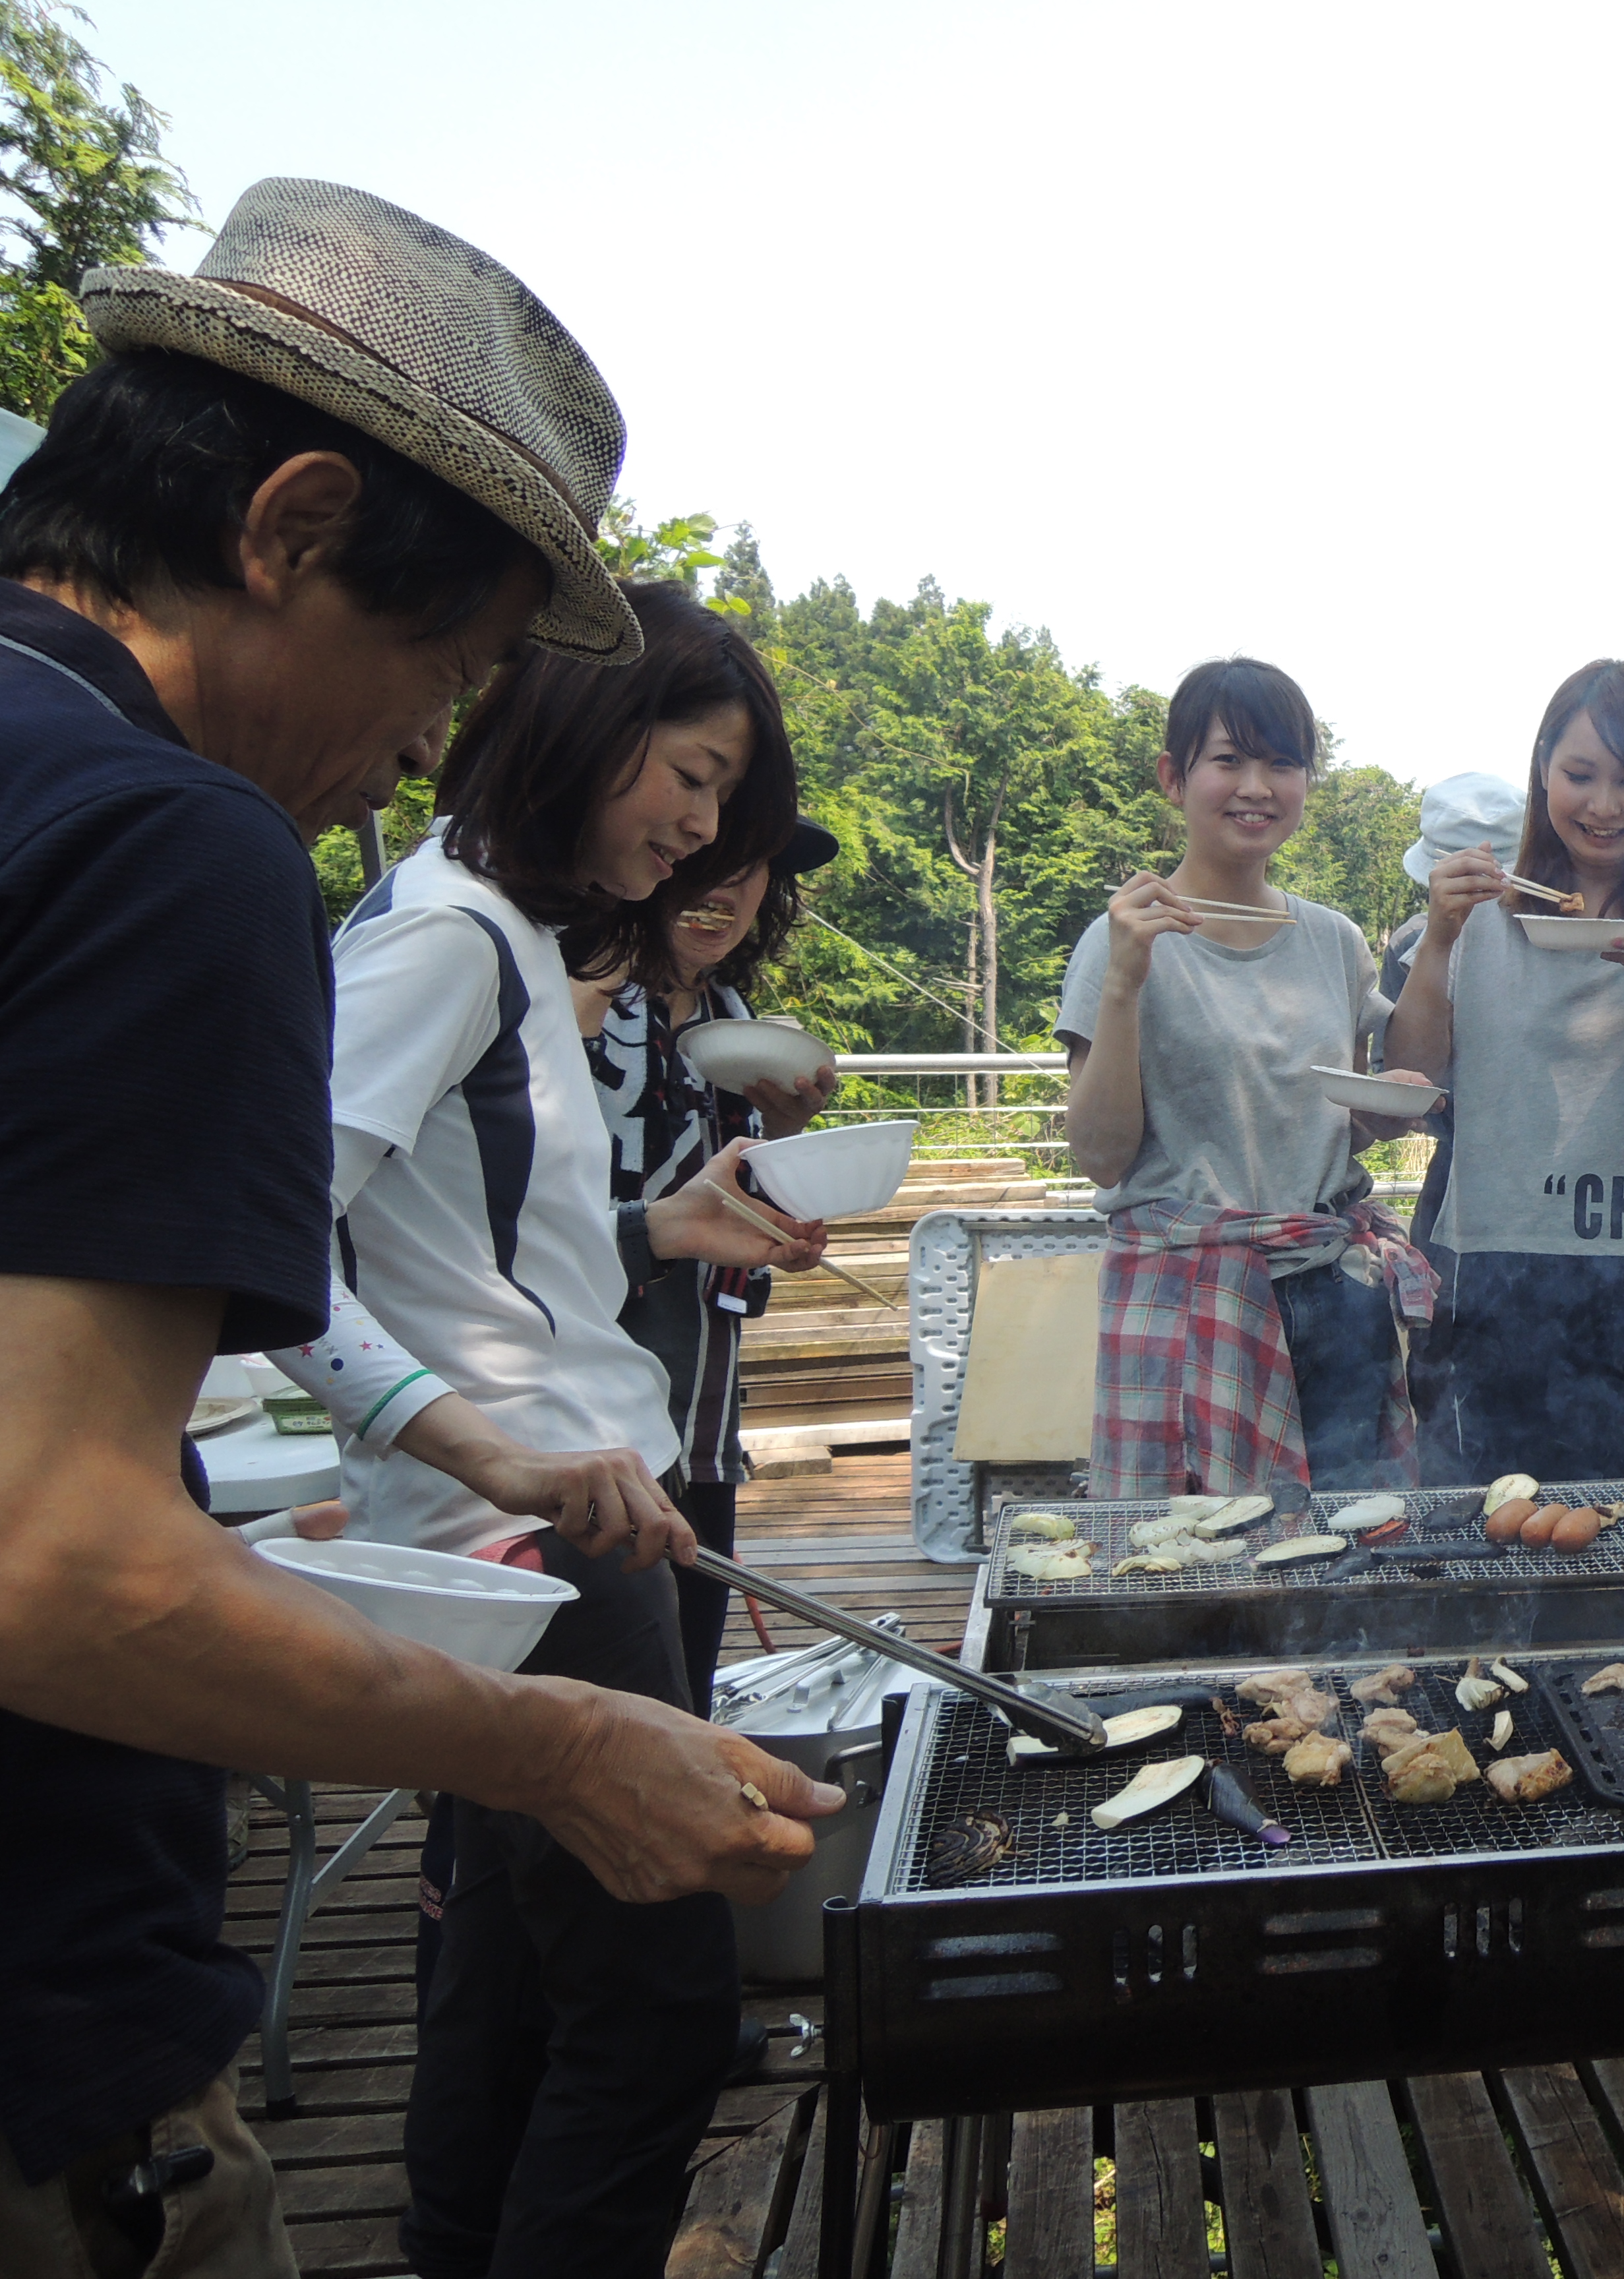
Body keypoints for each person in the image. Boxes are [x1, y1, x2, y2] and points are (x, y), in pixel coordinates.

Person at [0, 179, 835, 2279]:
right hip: (40, 2026)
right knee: (631, 2010)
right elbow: (50, 1553)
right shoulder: (162, 834)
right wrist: (552, 1716)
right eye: (438, 663)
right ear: (285, 527)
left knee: (520, 1995)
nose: (404, 754)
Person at [266, 578, 827, 2278]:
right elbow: (267, 1233)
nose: (703, 820)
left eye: (727, 795)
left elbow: (461, 1245)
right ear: (592, 716)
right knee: (654, 2018)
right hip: (537, 1535)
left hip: (564, 1509)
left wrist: (664, 1229)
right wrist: (484, 1451)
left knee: (509, 1983)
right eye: (693, 768)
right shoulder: (444, 932)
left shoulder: (501, 928)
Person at [1060, 657, 1435, 1496]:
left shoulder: (1333, 940)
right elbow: (1101, 1157)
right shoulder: (1121, 939)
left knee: (1353, 1546)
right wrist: (1124, 981)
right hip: (1192, 1294)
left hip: (1334, 1289)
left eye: (1282, 763)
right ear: (1174, 777)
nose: (1256, 786)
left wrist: (1391, 1104)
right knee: (1194, 1561)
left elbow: (1341, 1116)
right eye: (1229, 760)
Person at [1383, 661, 1624, 1482]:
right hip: (1501, 1265)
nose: (1605, 806)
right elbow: (1409, 1082)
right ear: (1543, 767)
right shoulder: (1474, 916)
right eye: (1580, 774)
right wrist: (1440, 936)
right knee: (1501, 1520)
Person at [575, 823, 843, 1713]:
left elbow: (730, 1206)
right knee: (574, 1686)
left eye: (750, 865)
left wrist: (789, 1162)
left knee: (683, 1672)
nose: (721, 886)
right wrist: (660, 1230)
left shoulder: (736, 1025)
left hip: (700, 1410)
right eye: (701, 857)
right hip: (574, 1407)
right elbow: (506, 1221)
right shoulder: (572, 1007)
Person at [1378, 772, 1526, 1434]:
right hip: (1458, 1185)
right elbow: (1408, 1083)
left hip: (1545, 1189)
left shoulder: (1556, 932)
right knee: (1439, 1369)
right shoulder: (1417, 943)